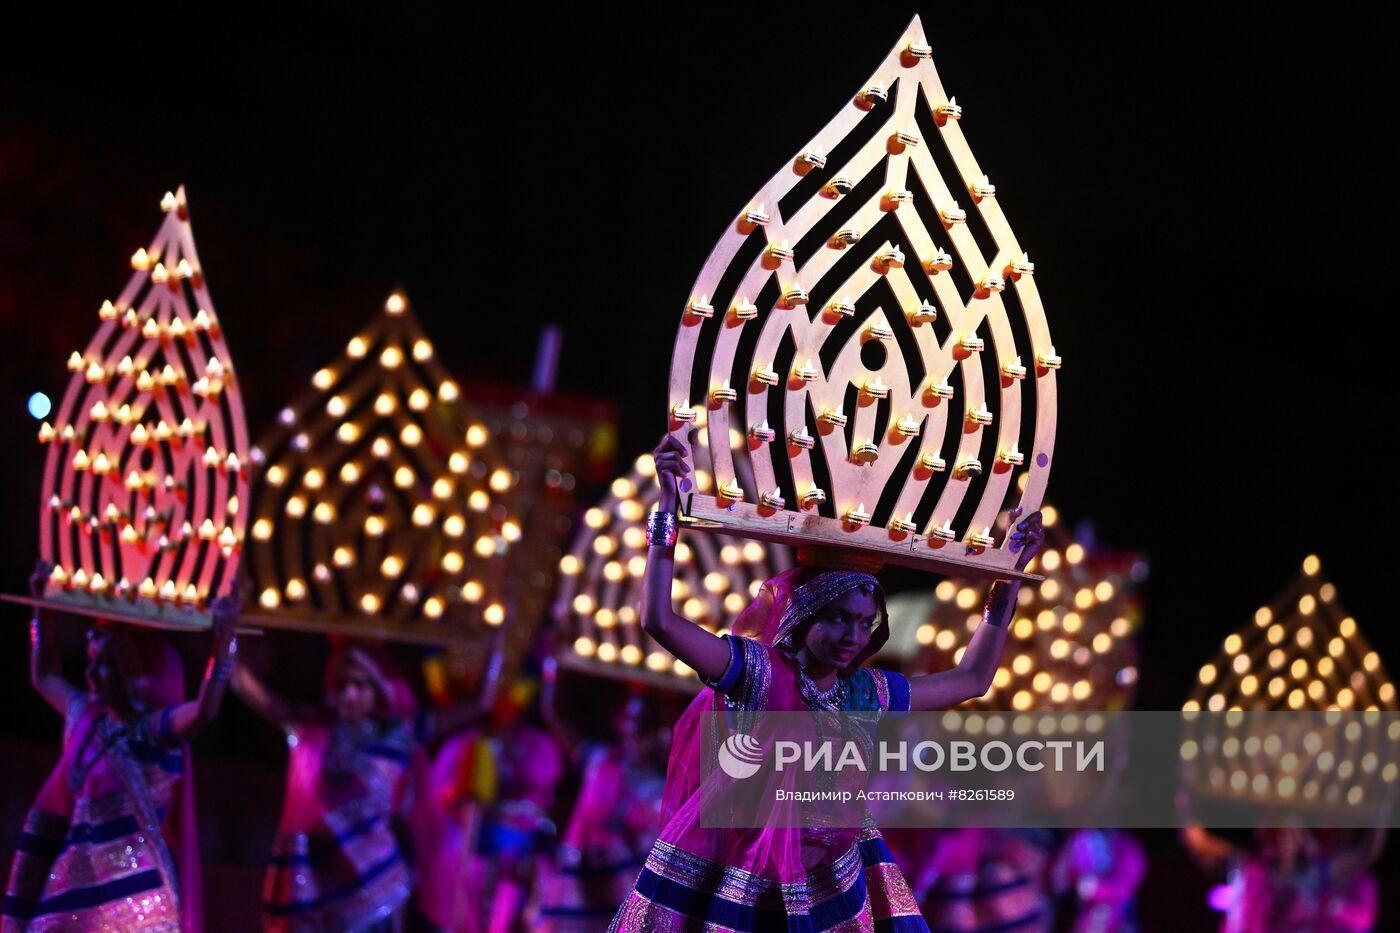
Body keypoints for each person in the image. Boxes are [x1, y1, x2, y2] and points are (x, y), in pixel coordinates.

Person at [607, 433, 1044, 931]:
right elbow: (660, 621)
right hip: (747, 891)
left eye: (863, 622)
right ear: (803, 614)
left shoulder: (866, 693)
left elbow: (972, 679)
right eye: (837, 619)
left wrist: (1008, 582)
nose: (852, 636)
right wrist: (667, 513)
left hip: (833, 892)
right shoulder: (759, 672)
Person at [4, 563, 240, 932]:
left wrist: (224, 645)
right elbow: (44, 675)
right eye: (92, 662)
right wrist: (42, 609)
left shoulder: (151, 732)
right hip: (72, 891)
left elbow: (204, 710)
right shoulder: (89, 720)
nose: (90, 674)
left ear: (134, 671)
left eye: (105, 666)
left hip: (136, 900)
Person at [232, 628, 504, 933]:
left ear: (377, 689)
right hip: (318, 878)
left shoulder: (398, 733)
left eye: (360, 684)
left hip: (376, 882)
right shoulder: (313, 728)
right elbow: (244, 684)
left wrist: (497, 642)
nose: (349, 693)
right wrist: (231, 634)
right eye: (343, 683)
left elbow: (481, 703)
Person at [535, 666, 667, 932]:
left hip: (625, 902)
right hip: (579, 898)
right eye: (626, 720)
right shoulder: (600, 761)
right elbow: (552, 715)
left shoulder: (658, 789)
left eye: (639, 726)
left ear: (655, 735)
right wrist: (550, 669)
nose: (630, 731)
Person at [1180, 823, 1384, 933]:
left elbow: (1365, 853)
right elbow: (1199, 844)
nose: (1282, 839)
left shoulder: (1314, 875)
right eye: (1275, 831)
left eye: (1289, 833)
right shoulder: (1248, 866)